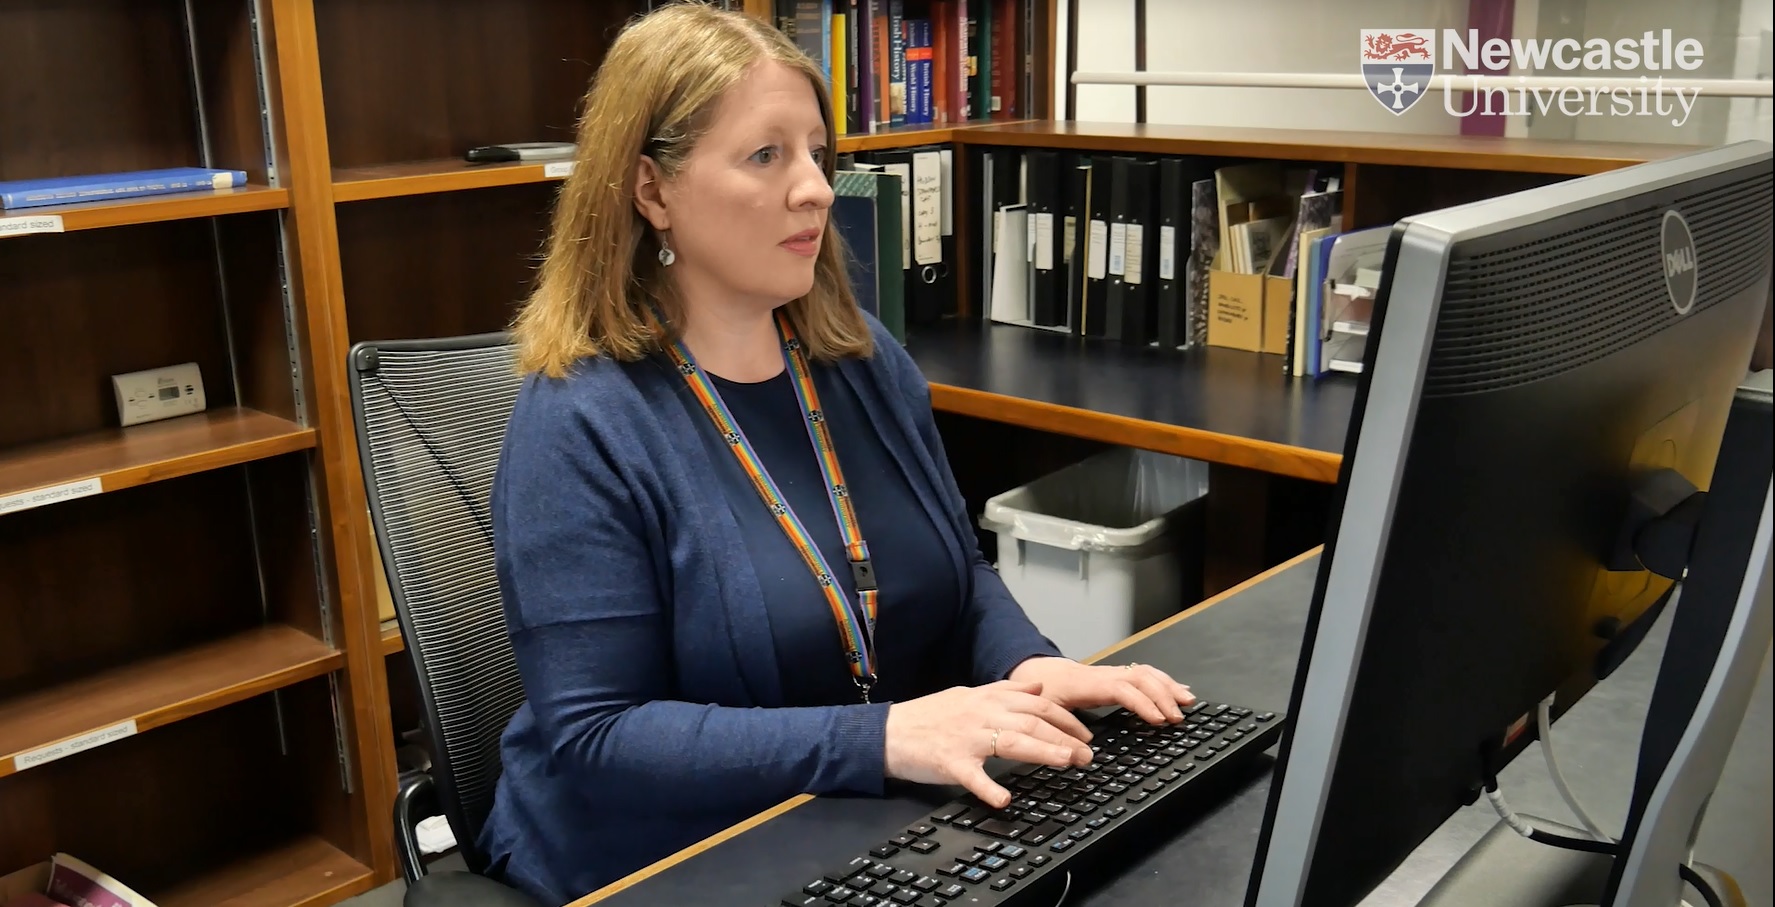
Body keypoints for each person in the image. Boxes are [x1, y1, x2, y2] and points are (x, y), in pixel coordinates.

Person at [479, 4, 1198, 903]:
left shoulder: (857, 358)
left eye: (817, 152)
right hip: (656, 857)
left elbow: (956, 570)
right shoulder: (579, 422)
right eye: (765, 155)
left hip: (854, 822)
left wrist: (1025, 662)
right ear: (650, 190)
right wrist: (883, 737)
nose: (817, 187)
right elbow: (597, 737)